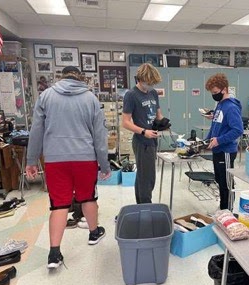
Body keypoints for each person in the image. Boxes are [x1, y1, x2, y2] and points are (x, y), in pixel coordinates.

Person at [26, 66, 110, 269]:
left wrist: (31, 160)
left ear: (60, 77)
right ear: (81, 78)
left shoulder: (46, 96)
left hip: (55, 159)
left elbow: (36, 130)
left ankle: (54, 254)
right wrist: (104, 164)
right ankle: (93, 233)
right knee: (88, 197)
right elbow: (100, 136)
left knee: (59, 204)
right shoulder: (90, 99)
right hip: (85, 158)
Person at [122, 63, 163, 204]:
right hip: (142, 141)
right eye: (148, 83)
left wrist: (163, 123)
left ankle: (141, 205)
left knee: (143, 176)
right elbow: (125, 122)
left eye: (152, 83)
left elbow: (158, 114)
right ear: (140, 79)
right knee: (147, 177)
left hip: (152, 140)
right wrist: (143, 131)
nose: (150, 86)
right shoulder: (131, 95)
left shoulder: (152, 93)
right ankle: (146, 206)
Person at [205, 73, 243, 210]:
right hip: (218, 150)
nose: (214, 95)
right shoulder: (220, 105)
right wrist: (206, 141)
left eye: (215, 92)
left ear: (224, 89)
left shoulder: (231, 107)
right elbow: (215, 126)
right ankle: (223, 209)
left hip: (226, 151)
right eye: (212, 93)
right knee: (220, 181)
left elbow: (238, 130)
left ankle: (228, 211)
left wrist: (219, 140)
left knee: (227, 184)